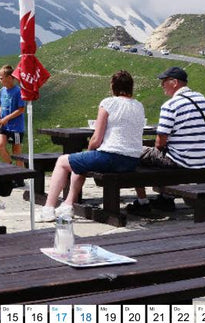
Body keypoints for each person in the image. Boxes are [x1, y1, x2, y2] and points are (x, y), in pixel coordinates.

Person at [39, 70, 145, 222]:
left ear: (113, 86)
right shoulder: (138, 106)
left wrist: (90, 150)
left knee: (63, 162)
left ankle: (48, 208)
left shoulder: (108, 103)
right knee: (80, 163)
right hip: (132, 161)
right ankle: (68, 204)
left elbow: (96, 138)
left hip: (111, 157)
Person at [126, 66, 205, 216]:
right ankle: (166, 198)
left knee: (132, 153)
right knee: (172, 151)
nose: (161, 86)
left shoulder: (170, 105)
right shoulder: (201, 99)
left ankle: (142, 202)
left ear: (175, 82)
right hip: (202, 159)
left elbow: (160, 143)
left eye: (164, 82)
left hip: (182, 161)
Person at [0, 65, 26, 165]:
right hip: (4, 126)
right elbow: (1, 105)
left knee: (17, 152)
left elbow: (21, 109)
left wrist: (7, 118)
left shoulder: (18, 91)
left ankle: (20, 177)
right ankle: (10, 165)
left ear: (9, 78)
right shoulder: (2, 90)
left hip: (16, 127)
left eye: (1, 78)